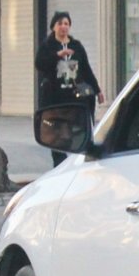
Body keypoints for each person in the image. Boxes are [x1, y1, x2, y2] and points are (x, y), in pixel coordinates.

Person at [36, 11, 103, 166]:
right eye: (60, 24)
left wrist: (97, 89)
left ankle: (84, 153)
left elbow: (86, 69)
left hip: (74, 94)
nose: (63, 27)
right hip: (55, 94)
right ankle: (59, 162)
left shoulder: (76, 46)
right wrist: (58, 55)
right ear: (53, 27)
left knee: (77, 125)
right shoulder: (47, 46)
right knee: (57, 130)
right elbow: (40, 64)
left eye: (66, 24)